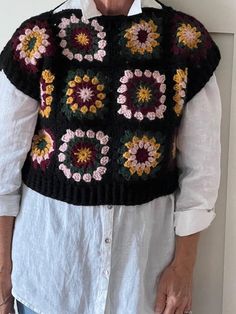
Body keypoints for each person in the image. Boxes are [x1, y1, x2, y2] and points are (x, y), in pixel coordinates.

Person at [0, 0, 222, 313]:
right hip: (48, 282)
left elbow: (202, 172)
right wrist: (1, 273)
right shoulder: (38, 39)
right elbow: (2, 168)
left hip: (143, 285)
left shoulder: (184, 40)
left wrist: (184, 269)